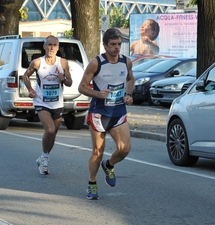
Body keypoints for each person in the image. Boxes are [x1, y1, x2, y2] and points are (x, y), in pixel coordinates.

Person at [78, 28, 135, 200]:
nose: (116, 48)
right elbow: (81, 86)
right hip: (99, 113)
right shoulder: (96, 63)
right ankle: (92, 183)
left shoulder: (126, 61)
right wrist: (97, 94)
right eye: (113, 45)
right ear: (105, 45)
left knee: (125, 149)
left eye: (119, 44)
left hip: (118, 111)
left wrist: (129, 94)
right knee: (98, 151)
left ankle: (109, 165)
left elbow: (130, 79)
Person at [23, 35, 73, 175]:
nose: (51, 47)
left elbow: (70, 82)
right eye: (49, 45)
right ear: (44, 47)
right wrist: (30, 90)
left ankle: (44, 156)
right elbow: (25, 76)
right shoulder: (37, 63)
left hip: (57, 103)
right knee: (50, 130)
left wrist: (63, 79)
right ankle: (45, 159)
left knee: (53, 135)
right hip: (41, 102)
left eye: (54, 45)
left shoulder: (62, 63)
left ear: (57, 48)